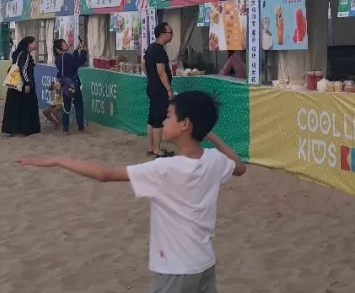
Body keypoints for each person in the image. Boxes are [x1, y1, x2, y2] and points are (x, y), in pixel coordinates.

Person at [18, 91, 247, 293]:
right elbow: (240, 167)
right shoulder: (214, 160)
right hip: (205, 263)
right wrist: (211, 136)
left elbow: (106, 174)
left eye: (169, 116)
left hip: (176, 268)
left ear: (185, 124)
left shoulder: (165, 168)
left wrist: (58, 159)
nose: (164, 121)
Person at [145, 22, 175, 158]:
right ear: (162, 34)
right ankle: (157, 150)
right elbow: (161, 71)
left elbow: (143, 64)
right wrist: (168, 89)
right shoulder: (159, 50)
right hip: (159, 90)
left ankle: (151, 147)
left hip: (152, 87)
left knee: (151, 119)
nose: (172, 36)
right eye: (170, 33)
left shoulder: (151, 47)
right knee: (158, 120)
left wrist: (151, 77)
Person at [1, 37, 40, 137]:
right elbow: (23, 69)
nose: (36, 43)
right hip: (21, 85)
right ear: (29, 44)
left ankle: (13, 130)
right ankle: (22, 130)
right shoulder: (25, 55)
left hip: (14, 85)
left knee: (14, 108)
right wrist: (27, 83)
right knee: (26, 107)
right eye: (34, 42)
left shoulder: (18, 53)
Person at [55, 38, 89, 134]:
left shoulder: (58, 58)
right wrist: (83, 51)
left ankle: (65, 129)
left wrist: (76, 50)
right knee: (79, 106)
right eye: (64, 43)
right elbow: (78, 62)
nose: (66, 44)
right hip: (73, 84)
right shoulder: (67, 56)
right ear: (61, 47)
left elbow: (72, 63)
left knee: (66, 107)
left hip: (64, 85)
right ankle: (81, 128)